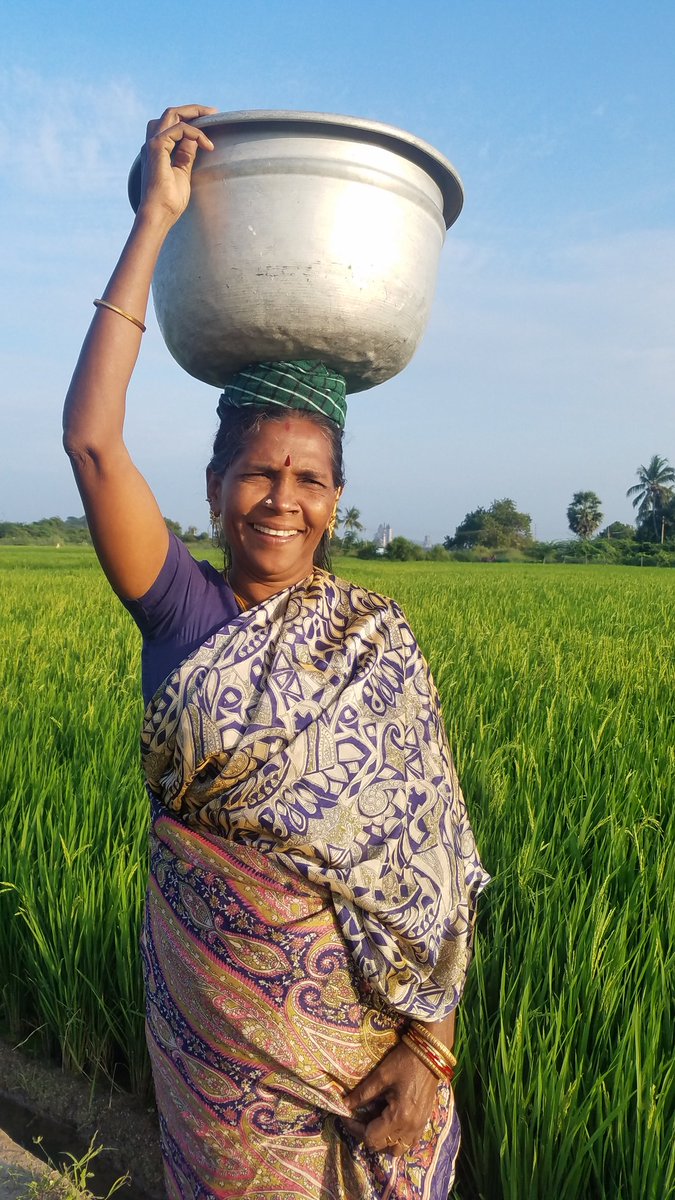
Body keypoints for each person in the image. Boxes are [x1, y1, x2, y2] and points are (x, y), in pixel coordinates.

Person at [63, 105, 489, 1200]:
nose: (281, 500)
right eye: (258, 472)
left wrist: (429, 1047)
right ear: (214, 489)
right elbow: (92, 440)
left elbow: (429, 870)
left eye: (308, 479)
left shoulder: (376, 643)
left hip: (369, 1061)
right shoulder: (182, 614)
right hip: (222, 1067)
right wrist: (158, 219)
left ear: (337, 503)